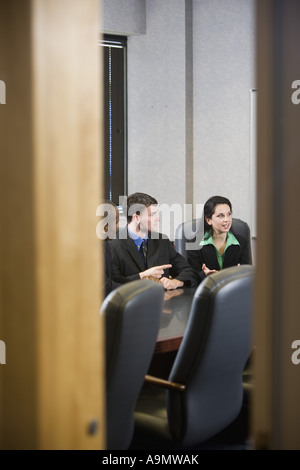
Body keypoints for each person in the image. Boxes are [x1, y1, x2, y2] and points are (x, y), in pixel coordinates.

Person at [109, 192, 198, 290]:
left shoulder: (162, 241)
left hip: (163, 301)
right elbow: (112, 284)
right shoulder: (113, 246)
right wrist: (142, 276)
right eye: (152, 215)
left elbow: (189, 271)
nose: (158, 219)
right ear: (136, 218)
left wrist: (176, 282)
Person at [187, 195, 251, 283]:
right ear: (208, 220)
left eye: (229, 214)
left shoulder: (242, 242)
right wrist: (204, 275)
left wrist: (241, 273)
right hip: (206, 292)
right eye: (220, 216)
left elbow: (248, 275)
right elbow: (190, 277)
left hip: (234, 291)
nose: (227, 220)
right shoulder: (194, 244)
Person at [97, 199, 121, 297]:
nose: (118, 227)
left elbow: (114, 278)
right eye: (116, 222)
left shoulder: (106, 245)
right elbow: (104, 286)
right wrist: (137, 289)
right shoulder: (88, 251)